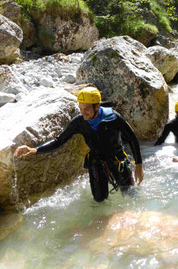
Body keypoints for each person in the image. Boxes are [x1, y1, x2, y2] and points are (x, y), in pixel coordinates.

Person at [14, 87, 144, 203]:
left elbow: (132, 139)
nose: (83, 112)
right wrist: (35, 150)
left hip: (117, 159)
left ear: (97, 107)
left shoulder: (113, 118)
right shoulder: (79, 122)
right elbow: (59, 141)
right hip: (96, 161)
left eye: (86, 108)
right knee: (99, 199)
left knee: (130, 194)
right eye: (81, 108)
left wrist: (139, 166)